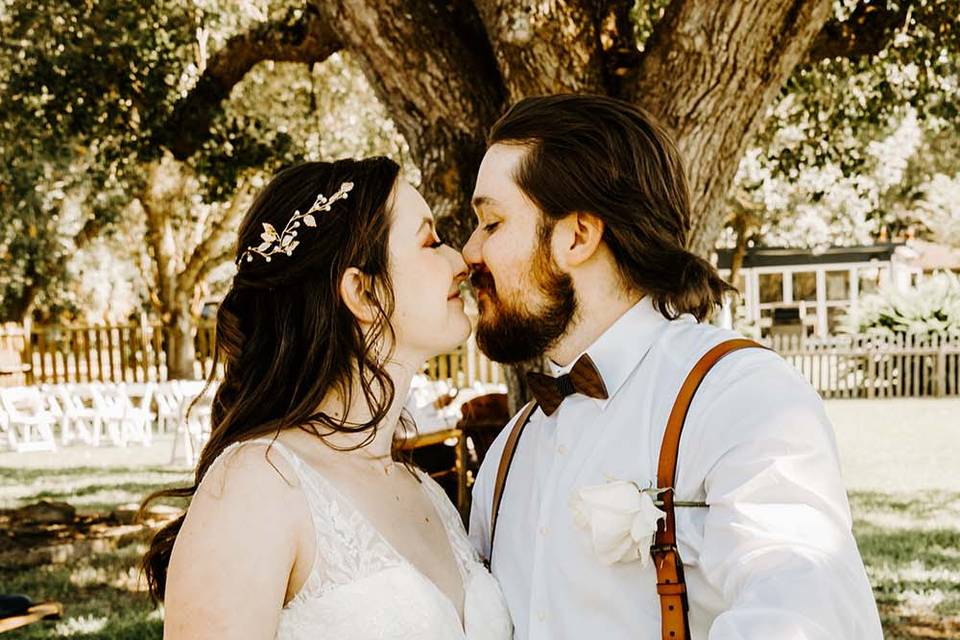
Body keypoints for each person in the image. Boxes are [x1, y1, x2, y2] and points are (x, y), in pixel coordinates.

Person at [464, 94, 883, 639]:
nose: (469, 252)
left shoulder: (739, 396)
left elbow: (804, 612)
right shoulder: (507, 455)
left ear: (577, 236)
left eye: (491, 223)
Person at [141, 158, 512, 639]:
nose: (460, 260)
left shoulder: (426, 492)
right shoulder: (259, 483)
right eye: (430, 241)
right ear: (362, 291)